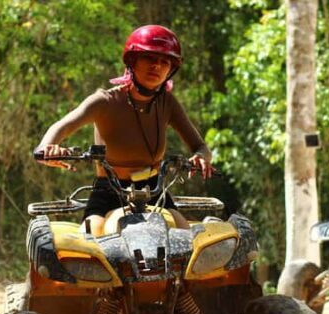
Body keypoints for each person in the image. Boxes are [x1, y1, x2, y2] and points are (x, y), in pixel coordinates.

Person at [34, 24, 213, 237]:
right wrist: (48, 147)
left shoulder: (168, 103)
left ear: (170, 70)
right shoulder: (105, 101)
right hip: (108, 190)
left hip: (154, 190)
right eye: (149, 58)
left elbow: (200, 146)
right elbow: (61, 126)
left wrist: (201, 157)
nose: (156, 66)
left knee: (187, 241)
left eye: (164, 62)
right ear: (132, 61)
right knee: (89, 242)